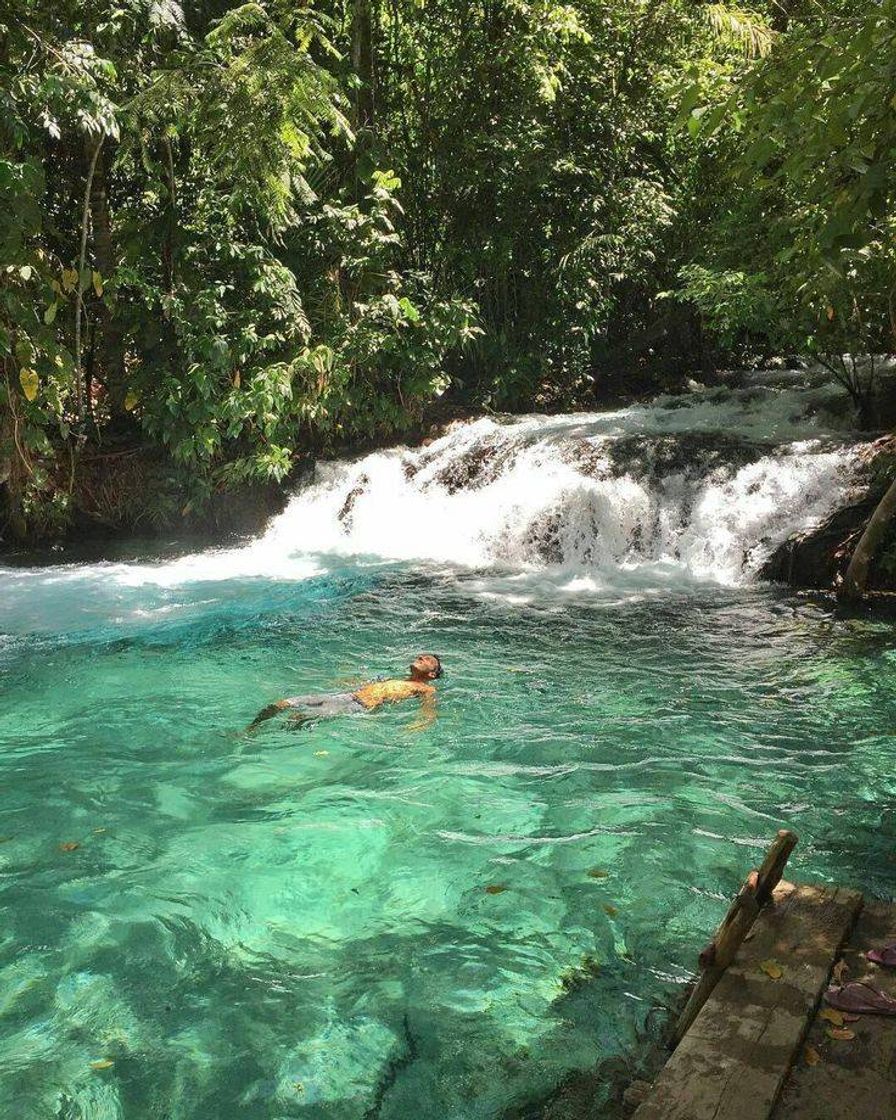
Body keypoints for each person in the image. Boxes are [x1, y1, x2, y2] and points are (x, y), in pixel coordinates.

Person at [249, 654, 443, 730]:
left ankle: (270, 744)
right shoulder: (398, 679)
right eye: (420, 656)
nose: (420, 657)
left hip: (359, 706)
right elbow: (367, 683)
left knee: (298, 717)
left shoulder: (426, 688)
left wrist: (415, 728)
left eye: (426, 659)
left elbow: (428, 711)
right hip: (346, 696)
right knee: (283, 704)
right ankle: (251, 730)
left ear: (433, 674)